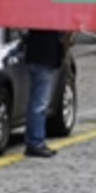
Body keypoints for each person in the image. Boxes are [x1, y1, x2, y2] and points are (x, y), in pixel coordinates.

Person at [23, 29, 70, 158]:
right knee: (40, 104)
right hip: (44, 60)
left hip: (33, 57)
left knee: (34, 101)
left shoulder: (36, 16)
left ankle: (32, 140)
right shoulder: (50, 19)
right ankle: (36, 142)